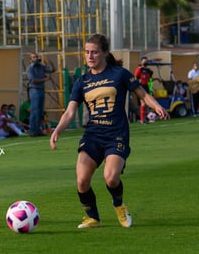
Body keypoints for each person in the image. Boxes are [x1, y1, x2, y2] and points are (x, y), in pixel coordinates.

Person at [50, 34, 170, 229]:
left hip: (116, 134)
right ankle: (93, 218)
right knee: (81, 181)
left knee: (111, 178)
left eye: (95, 52)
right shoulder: (82, 82)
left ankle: (119, 205)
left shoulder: (119, 74)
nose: (90, 56)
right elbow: (70, 112)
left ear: (105, 53)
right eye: (87, 52)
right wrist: (58, 131)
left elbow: (142, 94)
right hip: (93, 135)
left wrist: (156, 106)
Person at [25, 52, 55, 136]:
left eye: (37, 57)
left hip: (41, 90)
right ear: (30, 60)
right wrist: (45, 79)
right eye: (34, 57)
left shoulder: (41, 67)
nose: (36, 58)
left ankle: (38, 130)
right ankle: (32, 130)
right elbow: (33, 80)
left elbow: (52, 70)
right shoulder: (30, 69)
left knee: (40, 112)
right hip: (34, 90)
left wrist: (49, 61)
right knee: (34, 111)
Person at [134, 56, 154, 123]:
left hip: (146, 87)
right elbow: (135, 78)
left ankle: (146, 118)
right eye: (144, 61)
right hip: (141, 87)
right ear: (141, 62)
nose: (145, 62)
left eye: (146, 61)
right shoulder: (139, 69)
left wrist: (151, 88)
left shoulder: (148, 70)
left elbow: (150, 80)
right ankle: (142, 119)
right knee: (143, 103)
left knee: (147, 103)